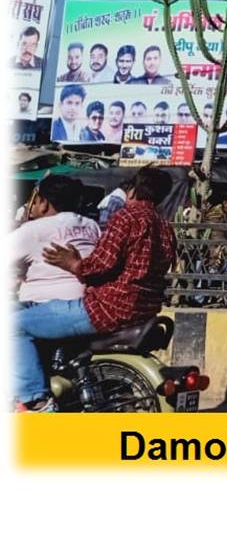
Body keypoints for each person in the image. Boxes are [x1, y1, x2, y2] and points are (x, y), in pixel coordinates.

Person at [17, 168, 176, 412]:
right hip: (144, 309)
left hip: (108, 308)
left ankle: (36, 400)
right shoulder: (165, 226)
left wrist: (73, 263)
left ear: (132, 190)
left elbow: (102, 263)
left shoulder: (126, 218)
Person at [12, 175, 101, 317]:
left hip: (42, 305)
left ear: (43, 203)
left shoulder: (34, 229)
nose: (32, 207)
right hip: (87, 304)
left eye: (34, 202)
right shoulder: (92, 225)